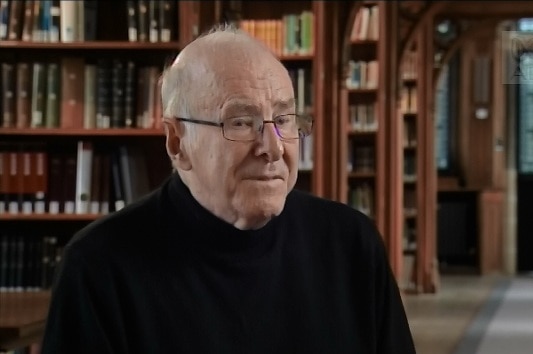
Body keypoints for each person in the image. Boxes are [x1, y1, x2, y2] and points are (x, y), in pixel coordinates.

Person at [41, 24, 416, 354]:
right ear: (176, 142)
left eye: (283, 119)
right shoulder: (98, 268)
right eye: (240, 122)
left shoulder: (351, 243)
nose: (272, 148)